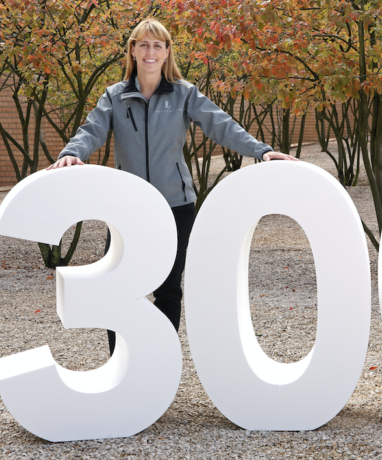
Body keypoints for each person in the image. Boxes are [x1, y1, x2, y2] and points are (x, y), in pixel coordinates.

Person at [47, 18, 297, 355]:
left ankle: (158, 360)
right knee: (115, 288)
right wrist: (71, 153)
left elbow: (221, 125)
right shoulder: (115, 96)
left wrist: (261, 151)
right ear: (133, 51)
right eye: (143, 45)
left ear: (166, 52)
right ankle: (122, 363)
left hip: (175, 206)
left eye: (157, 45)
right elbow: (91, 130)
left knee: (168, 290)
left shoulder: (184, 94)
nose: (150, 52)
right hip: (127, 209)